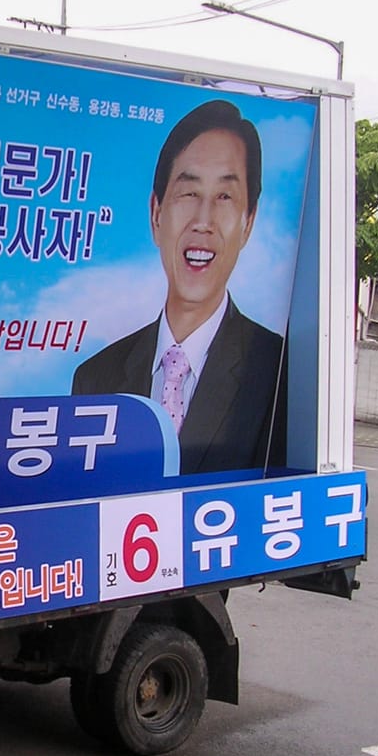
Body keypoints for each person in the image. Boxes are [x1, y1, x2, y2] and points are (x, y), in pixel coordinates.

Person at [72, 99, 286, 474]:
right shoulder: (95, 377)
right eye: (188, 193)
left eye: (224, 197)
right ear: (156, 215)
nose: (203, 221)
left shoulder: (279, 373)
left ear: (248, 222)